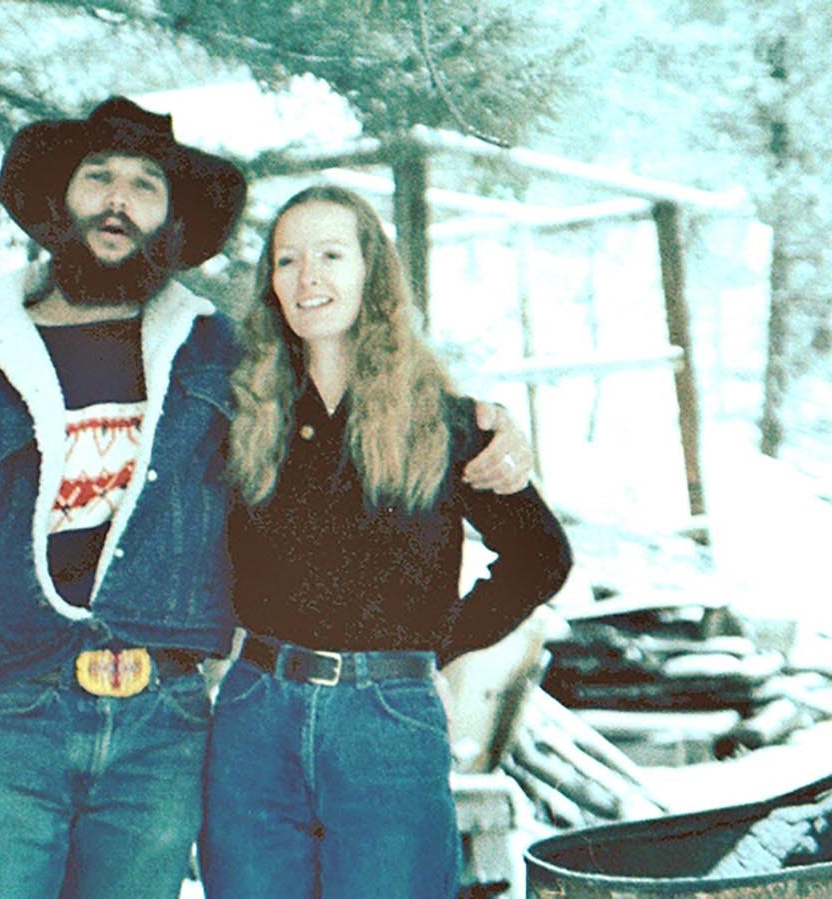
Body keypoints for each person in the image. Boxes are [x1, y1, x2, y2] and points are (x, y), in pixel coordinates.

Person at [0, 99, 533, 898]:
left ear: (169, 215)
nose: (118, 201)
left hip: (163, 722)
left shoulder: (221, 356)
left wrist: (486, 429)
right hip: (13, 719)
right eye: (99, 179)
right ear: (60, 198)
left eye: (144, 186)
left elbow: (361, 384)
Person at [200, 184, 573, 898]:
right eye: (287, 260)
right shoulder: (239, 413)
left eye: (331, 255)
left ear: (373, 270)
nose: (308, 277)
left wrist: (442, 642)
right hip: (255, 718)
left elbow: (541, 557)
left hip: (386, 726)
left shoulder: (448, 423)